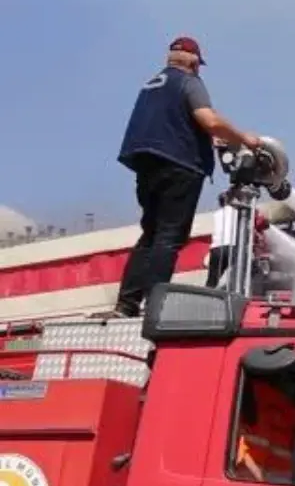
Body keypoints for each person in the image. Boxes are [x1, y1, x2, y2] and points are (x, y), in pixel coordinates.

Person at [100, 36, 261, 317]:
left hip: (147, 166)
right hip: (180, 166)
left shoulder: (151, 85)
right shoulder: (189, 81)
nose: (199, 68)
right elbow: (209, 120)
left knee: (150, 235)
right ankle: (156, 305)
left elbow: (172, 123)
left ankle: (126, 305)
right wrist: (243, 138)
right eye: (199, 63)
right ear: (193, 59)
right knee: (169, 236)